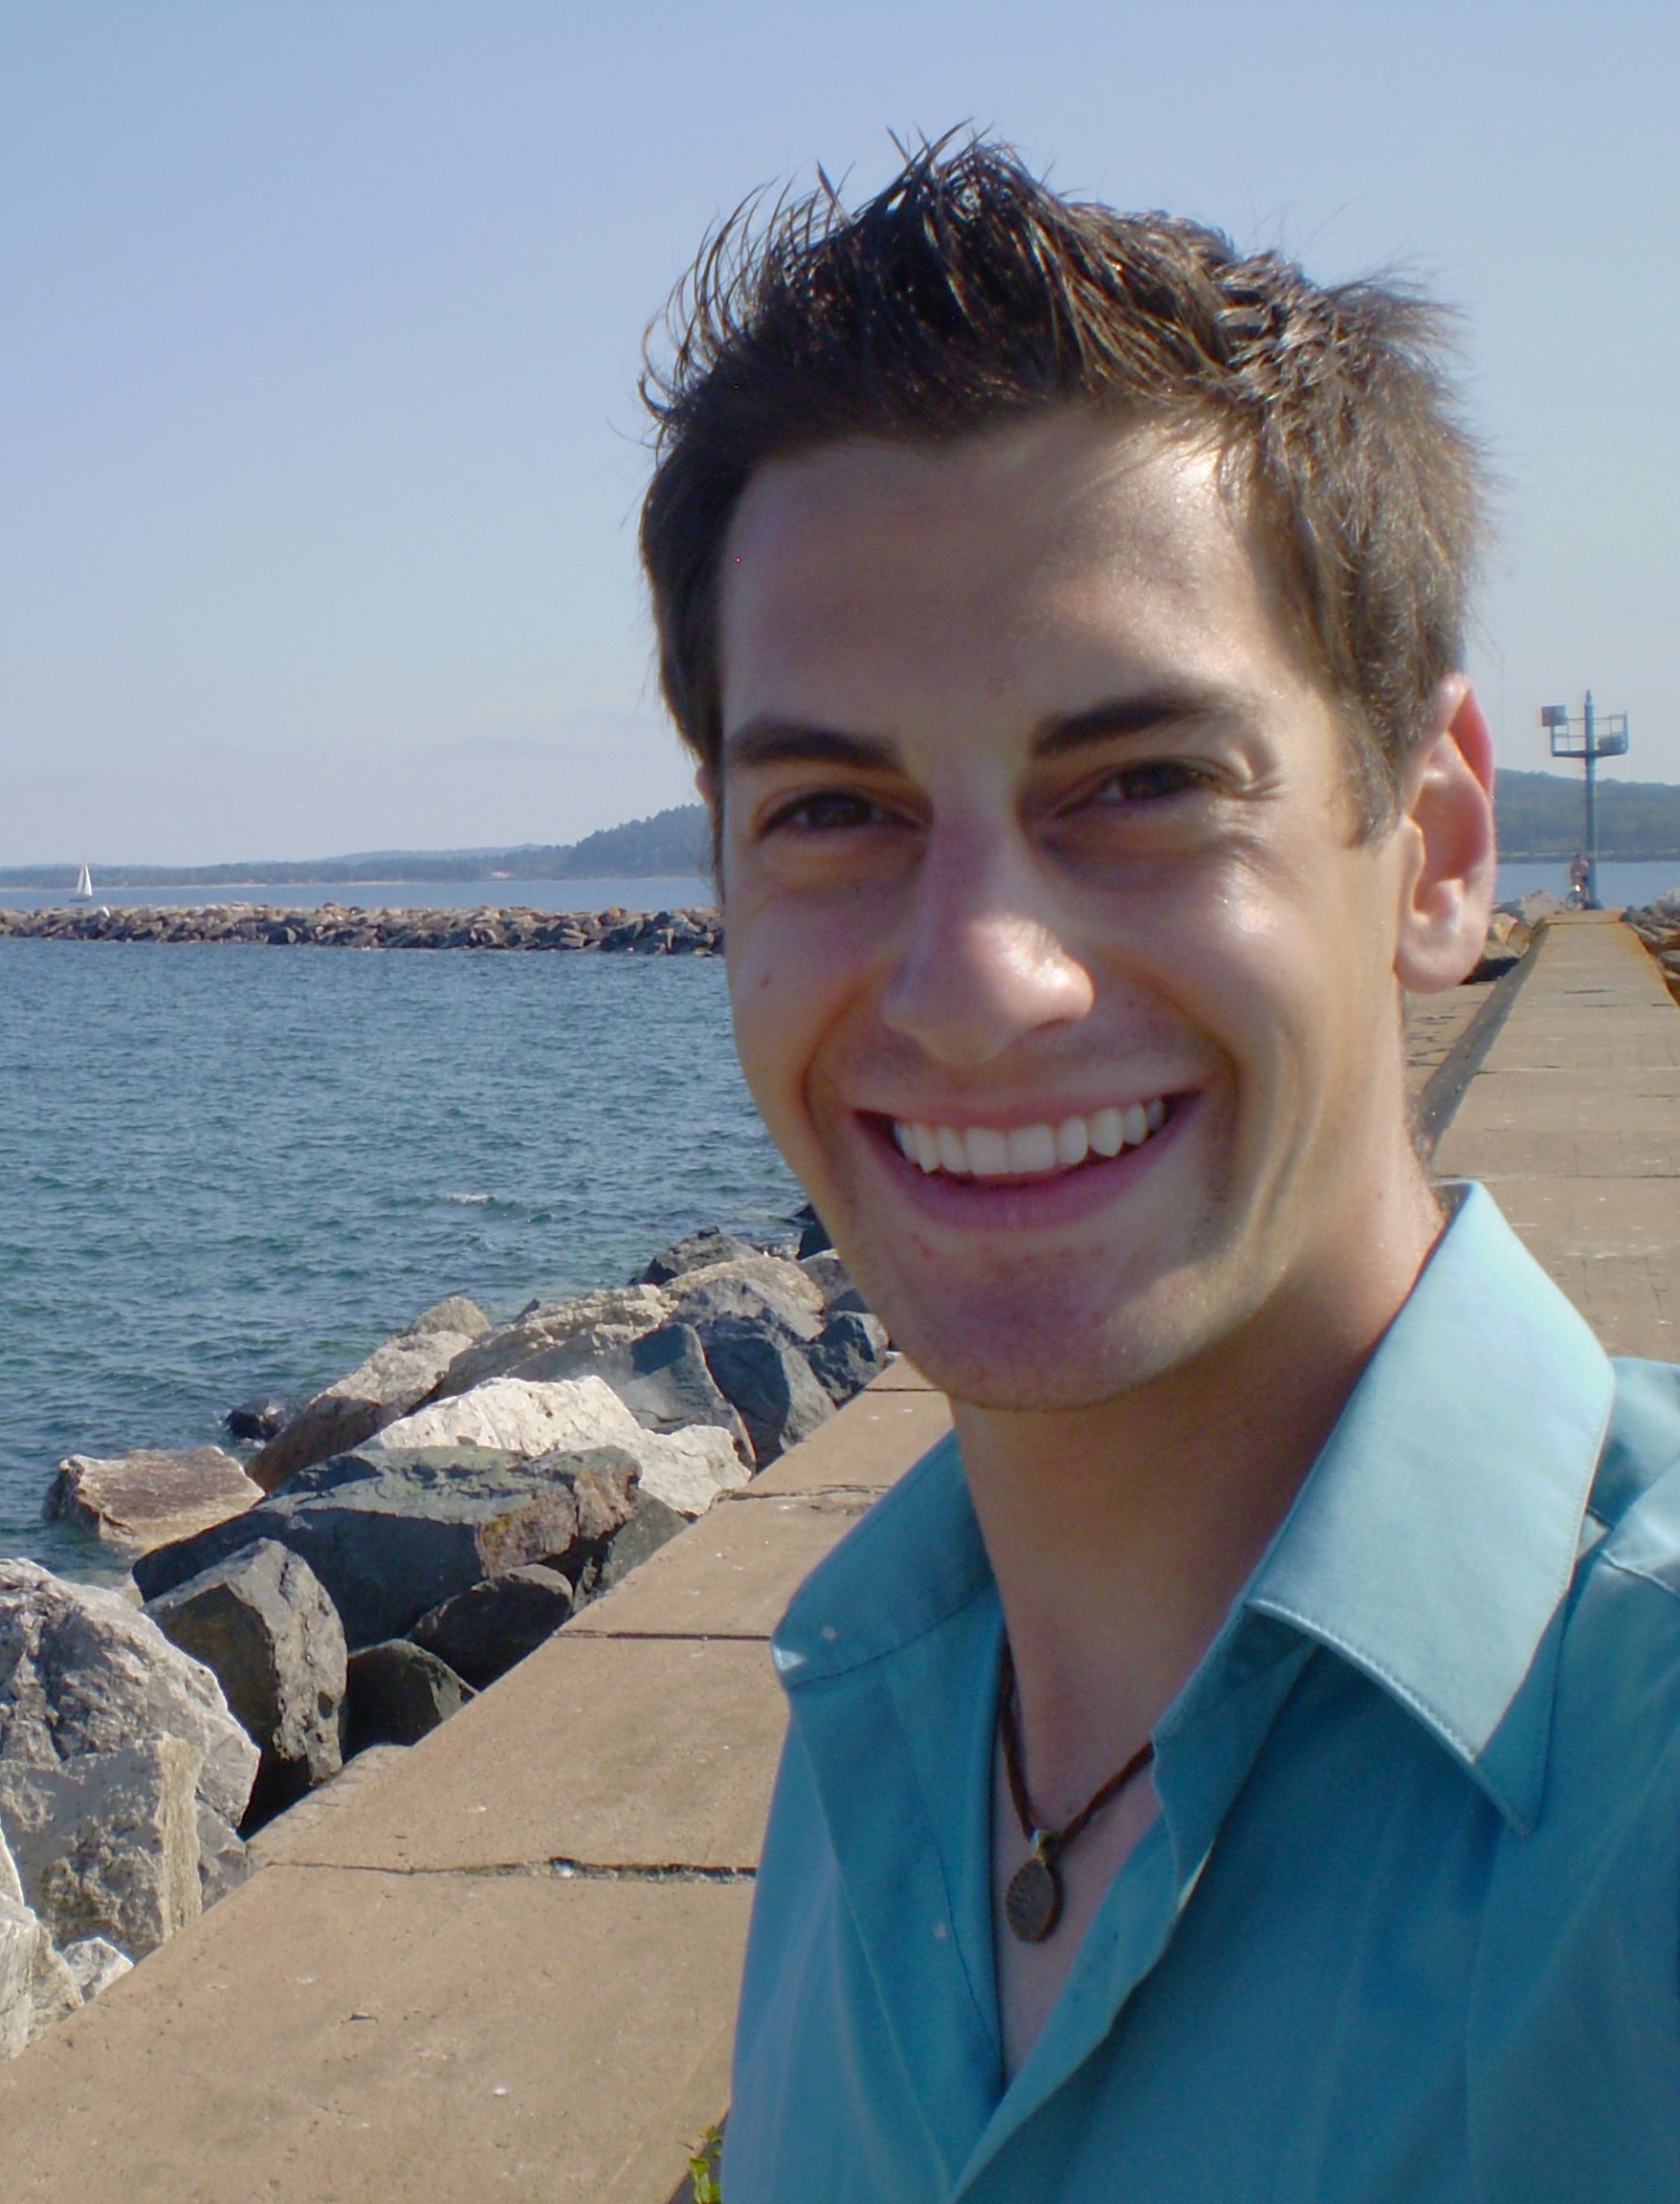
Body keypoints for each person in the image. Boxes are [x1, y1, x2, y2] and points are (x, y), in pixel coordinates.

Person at [638, 141, 1680, 2200]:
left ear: (1441, 847)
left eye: (1137, 783)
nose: (975, 986)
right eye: (838, 811)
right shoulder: (873, 1719)